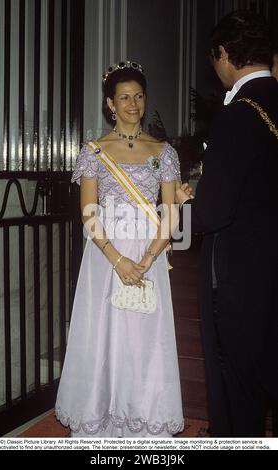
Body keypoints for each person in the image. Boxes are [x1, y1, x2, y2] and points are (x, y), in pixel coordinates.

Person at [55, 61, 188, 437]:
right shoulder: (93, 152)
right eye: (124, 97)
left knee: (143, 337)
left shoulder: (164, 152)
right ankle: (100, 415)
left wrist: (145, 260)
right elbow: (88, 213)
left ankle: (144, 419)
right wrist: (117, 260)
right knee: (102, 334)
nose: (133, 104)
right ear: (110, 104)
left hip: (149, 254)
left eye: (139, 96)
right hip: (105, 257)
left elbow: (170, 213)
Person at [176, 10, 278, 437]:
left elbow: (212, 213)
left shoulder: (239, 114)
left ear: (223, 54)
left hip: (241, 282)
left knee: (238, 392)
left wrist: (184, 204)